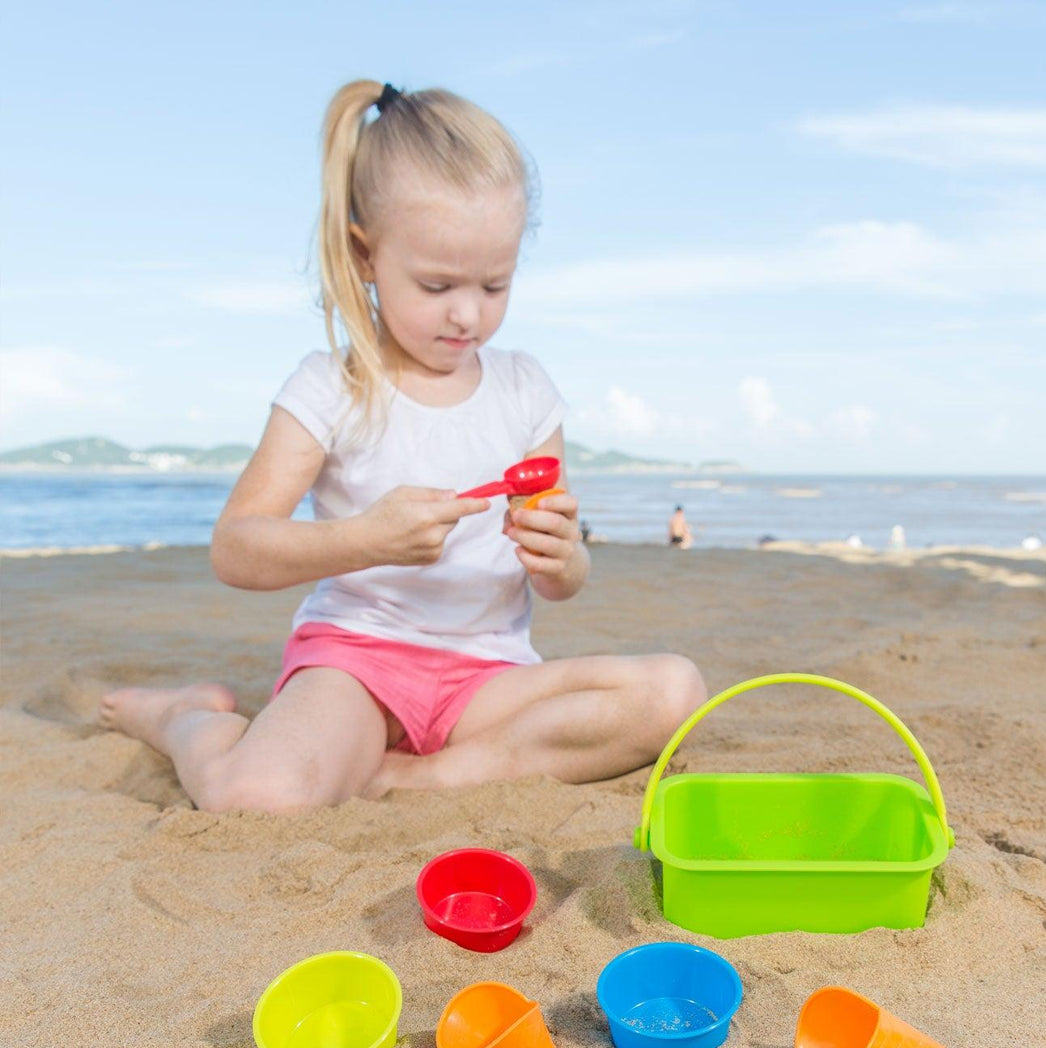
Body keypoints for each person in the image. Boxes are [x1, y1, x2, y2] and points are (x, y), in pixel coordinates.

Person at [99, 79, 706, 813]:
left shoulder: (524, 390)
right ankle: (183, 718)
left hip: (487, 678)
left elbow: (560, 579)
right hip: (357, 667)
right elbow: (236, 547)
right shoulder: (332, 387)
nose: (467, 314)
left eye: (494, 284)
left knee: (674, 693)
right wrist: (363, 539)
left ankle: (424, 776)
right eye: (437, 283)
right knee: (254, 795)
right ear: (365, 255)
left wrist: (563, 555)